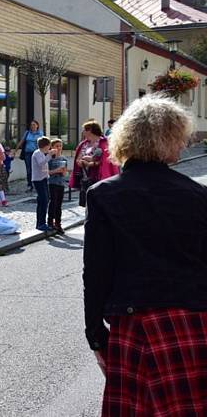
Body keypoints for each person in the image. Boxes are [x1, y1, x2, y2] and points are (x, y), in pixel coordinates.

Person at [83, 94, 207, 415]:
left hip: (135, 324)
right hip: (194, 322)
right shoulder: (198, 195)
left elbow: (96, 272)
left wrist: (96, 335)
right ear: (171, 138)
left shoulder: (104, 195)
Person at [70, 120, 120, 207]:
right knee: (88, 204)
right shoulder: (84, 144)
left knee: (99, 203)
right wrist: (80, 162)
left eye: (85, 130)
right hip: (86, 178)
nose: (83, 132)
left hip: (98, 178)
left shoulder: (104, 143)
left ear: (90, 130)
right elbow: (78, 159)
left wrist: (90, 163)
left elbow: (106, 161)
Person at [30, 137, 56, 232]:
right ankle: (41, 223)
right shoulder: (37, 153)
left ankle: (40, 222)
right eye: (49, 145)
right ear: (46, 145)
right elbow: (41, 163)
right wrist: (49, 155)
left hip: (43, 178)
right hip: (38, 180)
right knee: (44, 200)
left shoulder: (41, 153)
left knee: (44, 200)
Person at [46, 139, 68, 233]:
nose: (59, 148)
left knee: (59, 204)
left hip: (61, 183)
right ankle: (50, 222)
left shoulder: (64, 159)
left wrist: (63, 171)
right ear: (52, 147)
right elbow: (46, 172)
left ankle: (58, 223)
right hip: (52, 183)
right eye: (56, 146)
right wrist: (56, 170)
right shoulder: (49, 158)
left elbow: (64, 173)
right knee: (53, 202)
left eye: (60, 146)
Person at [17, 120, 43, 192]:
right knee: (29, 170)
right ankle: (30, 185)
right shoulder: (27, 133)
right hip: (27, 153)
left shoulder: (40, 133)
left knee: (36, 169)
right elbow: (22, 141)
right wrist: (15, 150)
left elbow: (42, 143)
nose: (32, 126)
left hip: (36, 154)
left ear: (37, 125)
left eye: (34, 125)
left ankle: (37, 184)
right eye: (31, 125)